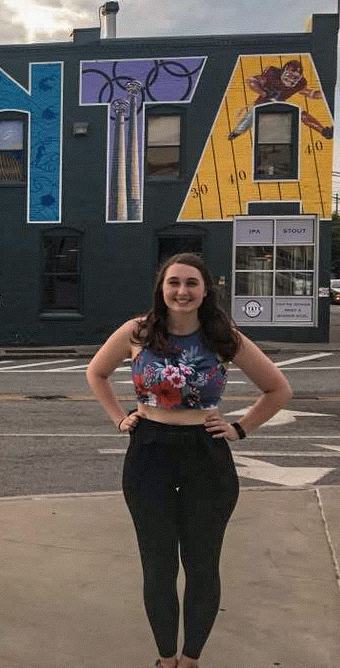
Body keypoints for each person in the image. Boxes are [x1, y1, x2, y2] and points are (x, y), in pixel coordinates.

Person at [86, 253, 291, 668]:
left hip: (206, 456)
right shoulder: (138, 332)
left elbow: (277, 389)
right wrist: (119, 417)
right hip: (149, 454)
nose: (182, 291)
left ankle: (192, 658)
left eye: (191, 283)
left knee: (202, 565)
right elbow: (97, 372)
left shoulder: (222, 336)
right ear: (161, 289)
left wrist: (240, 428)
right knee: (158, 566)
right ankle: (166, 660)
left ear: (205, 290)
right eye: (174, 282)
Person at [227, 59, 333, 141]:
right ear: (283, 70)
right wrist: (263, 92)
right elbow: (251, 81)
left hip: (280, 106)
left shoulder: (299, 83)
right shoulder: (271, 73)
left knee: (301, 114)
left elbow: (311, 94)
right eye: (290, 74)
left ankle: (324, 131)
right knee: (242, 126)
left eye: (295, 77)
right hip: (261, 105)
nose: (291, 78)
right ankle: (235, 133)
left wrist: (327, 94)